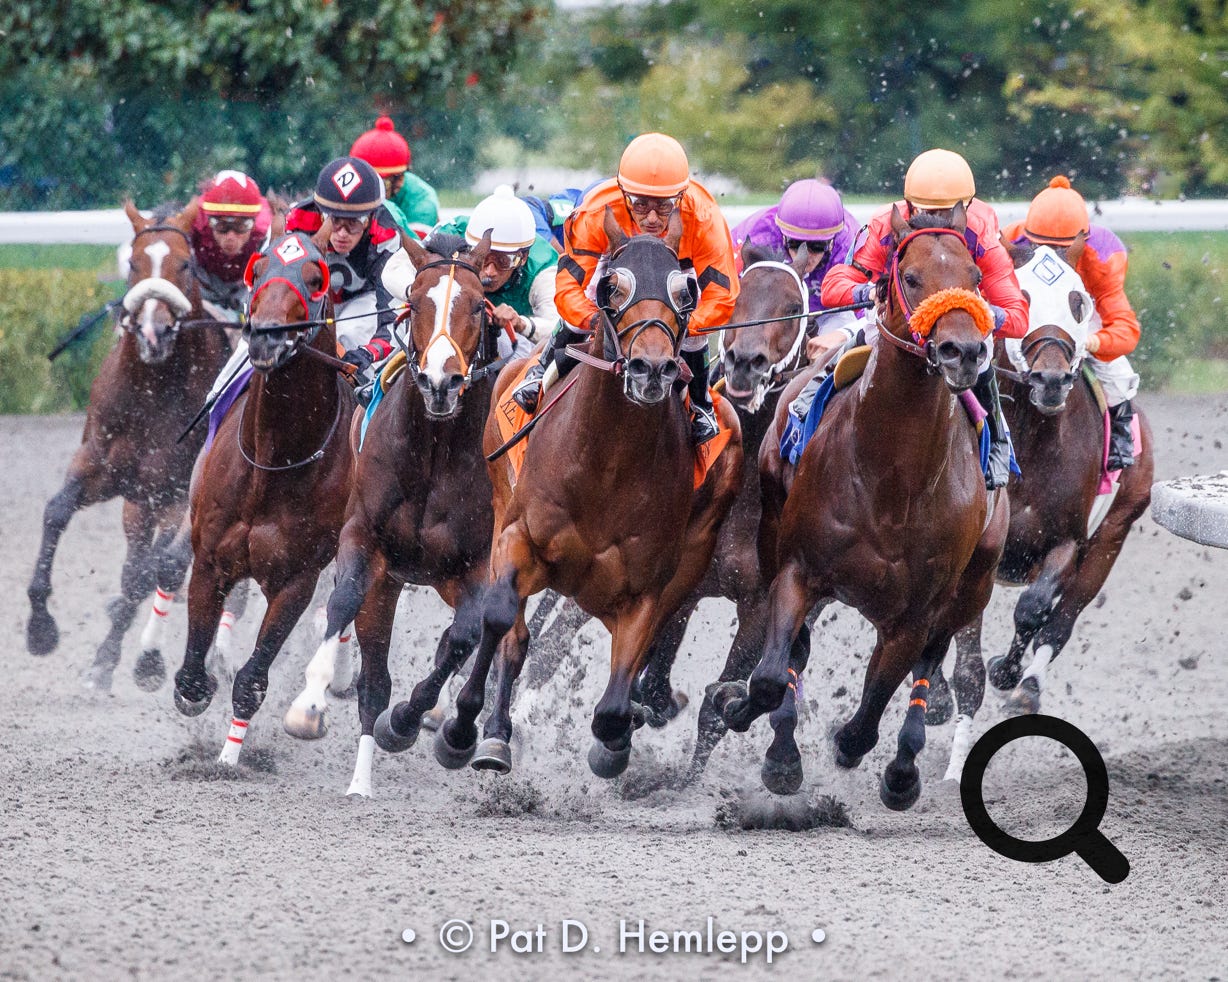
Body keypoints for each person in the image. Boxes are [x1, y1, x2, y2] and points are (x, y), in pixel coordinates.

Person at [808, 147, 1028, 489]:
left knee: (981, 357)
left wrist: (968, 308)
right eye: (929, 212)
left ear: (966, 207)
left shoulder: (981, 232)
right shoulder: (884, 224)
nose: (938, 221)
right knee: (851, 341)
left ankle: (998, 438)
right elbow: (834, 286)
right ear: (910, 206)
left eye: (947, 212)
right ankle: (802, 414)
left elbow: (1016, 316)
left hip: (959, 324)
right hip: (896, 317)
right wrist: (870, 292)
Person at [511, 132, 739, 444]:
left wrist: (687, 326)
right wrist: (592, 320)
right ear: (622, 192)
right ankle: (541, 374)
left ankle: (701, 406)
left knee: (688, 311)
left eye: (664, 206)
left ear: (682, 196)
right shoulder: (596, 211)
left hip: (677, 268)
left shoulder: (704, 217)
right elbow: (568, 287)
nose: (653, 217)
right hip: (616, 260)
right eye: (641, 204)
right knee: (589, 296)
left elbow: (722, 295)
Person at [206, 156, 404, 402]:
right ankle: (215, 409)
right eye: (332, 219)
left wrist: (368, 354)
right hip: (303, 299)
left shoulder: (387, 235)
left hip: (361, 300)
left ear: (371, 217)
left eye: (355, 223)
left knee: (348, 334)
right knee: (244, 354)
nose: (341, 233)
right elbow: (261, 288)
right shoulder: (296, 219)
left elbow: (392, 319)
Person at [1003, 175, 1141, 470]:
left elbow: (1125, 329)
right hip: (1030, 315)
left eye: (1063, 250)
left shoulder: (1103, 256)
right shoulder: (1007, 243)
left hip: (1078, 316)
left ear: (1082, 242)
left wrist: (1094, 341)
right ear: (1027, 238)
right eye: (1040, 246)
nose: (1051, 257)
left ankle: (1120, 434)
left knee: (1117, 372)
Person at [382, 184, 559, 359]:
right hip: (446, 321)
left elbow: (557, 325)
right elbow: (393, 269)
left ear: (524, 257)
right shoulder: (451, 232)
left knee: (512, 346)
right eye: (483, 258)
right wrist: (420, 292)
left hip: (509, 341)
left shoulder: (543, 266)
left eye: (503, 261)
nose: (490, 271)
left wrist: (521, 323)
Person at [730, 178, 862, 364]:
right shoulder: (758, 235)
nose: (805, 255)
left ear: (833, 240)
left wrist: (842, 336)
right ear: (782, 235)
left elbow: (867, 314)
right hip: (772, 312)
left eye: (817, 246)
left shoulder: (851, 245)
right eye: (795, 244)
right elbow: (727, 293)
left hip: (829, 314)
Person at [190, 170, 275, 322]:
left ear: (254, 223)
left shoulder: (268, 230)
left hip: (246, 288)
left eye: (241, 226)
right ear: (208, 220)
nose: (230, 236)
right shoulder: (194, 223)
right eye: (221, 225)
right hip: (206, 287)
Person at [350, 115, 440, 239]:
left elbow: (411, 253)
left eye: (378, 182)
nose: (365, 189)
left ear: (399, 178)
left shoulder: (423, 205)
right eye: (360, 181)